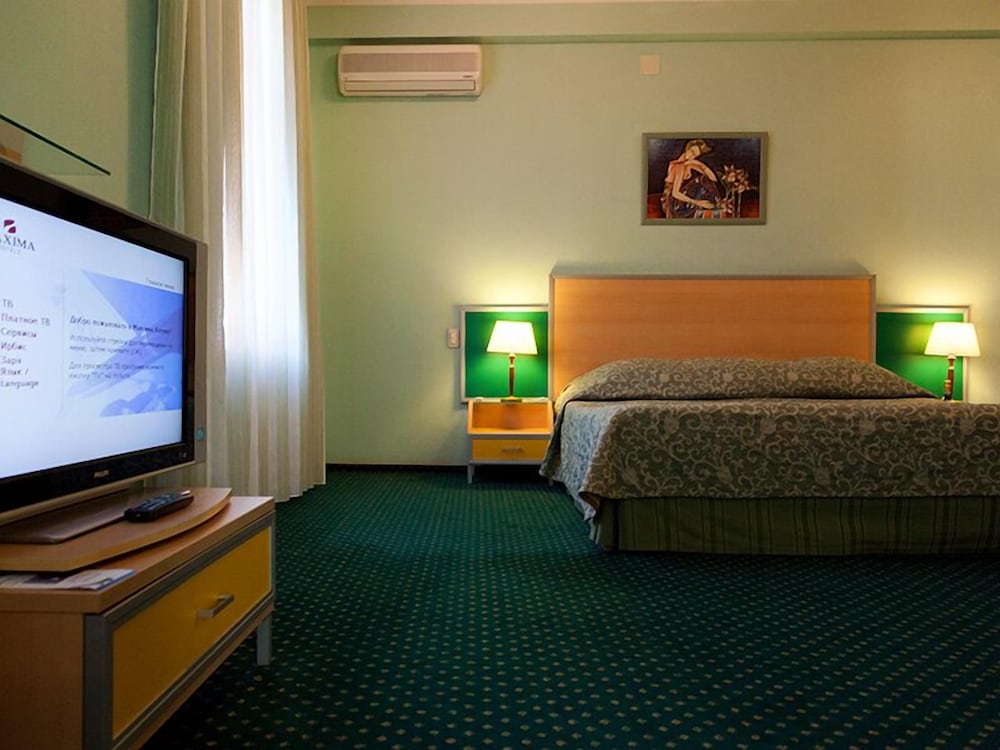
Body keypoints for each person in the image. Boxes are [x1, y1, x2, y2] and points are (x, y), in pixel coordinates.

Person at [661, 139, 721, 219]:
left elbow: (713, 179)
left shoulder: (688, 163)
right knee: (700, 180)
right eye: (692, 151)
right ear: (687, 148)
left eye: (695, 155)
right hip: (672, 204)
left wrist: (700, 165)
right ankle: (716, 204)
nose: (692, 156)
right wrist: (698, 203)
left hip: (679, 201)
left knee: (704, 180)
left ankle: (714, 205)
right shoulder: (679, 166)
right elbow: (675, 193)